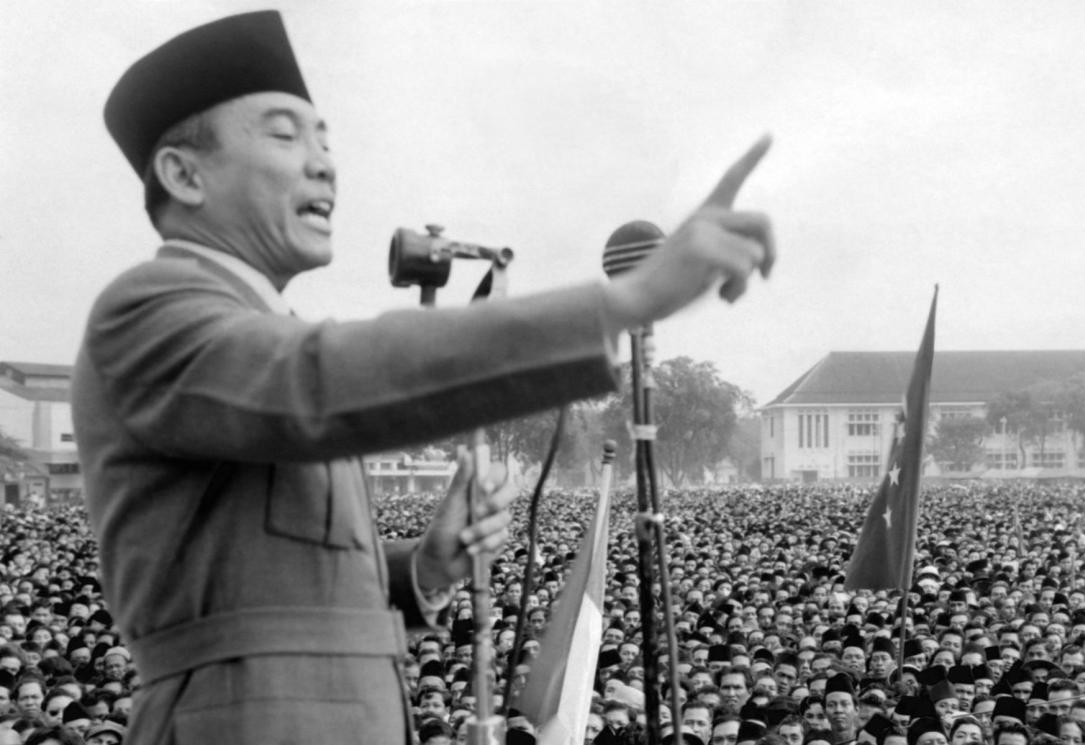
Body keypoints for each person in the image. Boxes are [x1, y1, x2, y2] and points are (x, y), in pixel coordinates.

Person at [77, 10, 774, 745]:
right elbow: (317, 380)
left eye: (324, 139)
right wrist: (617, 305)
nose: (323, 163)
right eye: (284, 135)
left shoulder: (257, 327)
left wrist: (427, 567)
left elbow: (285, 591)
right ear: (183, 174)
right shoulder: (149, 313)